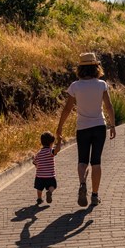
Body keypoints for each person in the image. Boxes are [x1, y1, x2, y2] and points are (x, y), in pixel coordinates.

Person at [56, 52, 116, 207]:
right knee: (96, 162)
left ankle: (83, 183)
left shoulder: (75, 86)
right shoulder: (101, 84)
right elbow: (108, 106)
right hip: (99, 127)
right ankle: (95, 196)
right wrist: (113, 124)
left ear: (80, 68)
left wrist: (60, 128)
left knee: (82, 161)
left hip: (82, 127)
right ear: (96, 67)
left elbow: (67, 109)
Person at [33, 131, 61, 205]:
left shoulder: (39, 153)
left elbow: (35, 163)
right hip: (50, 175)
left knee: (39, 188)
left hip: (39, 176)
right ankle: (49, 192)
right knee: (53, 186)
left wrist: (38, 167)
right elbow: (57, 150)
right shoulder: (50, 151)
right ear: (51, 143)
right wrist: (59, 141)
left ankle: (39, 198)